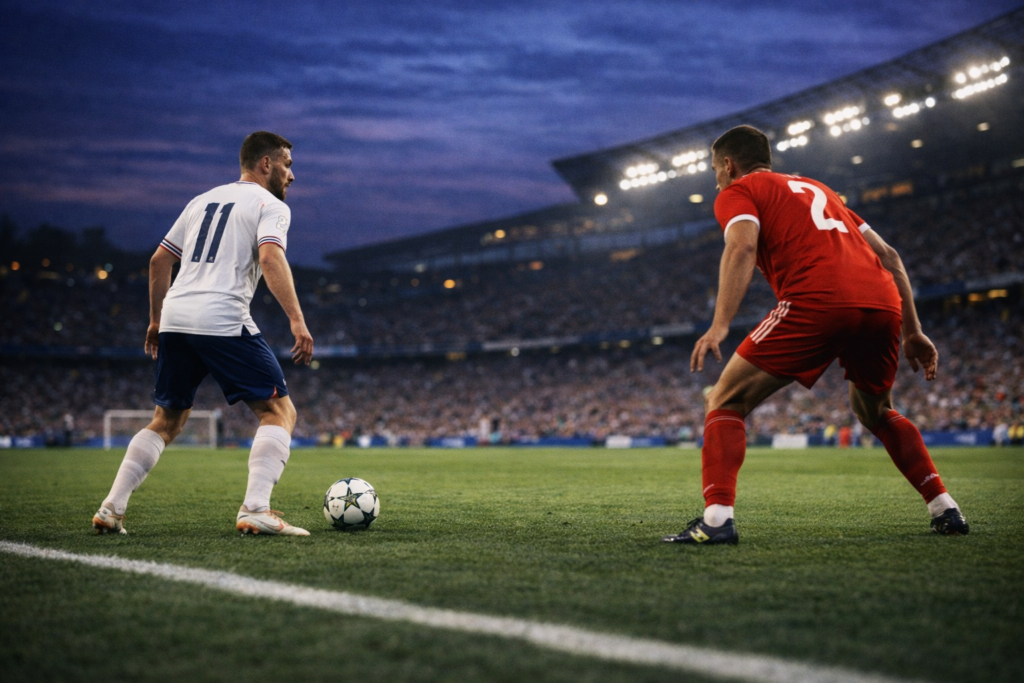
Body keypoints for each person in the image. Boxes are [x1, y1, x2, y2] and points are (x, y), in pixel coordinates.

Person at [661, 125, 968, 545]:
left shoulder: (738, 191)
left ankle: (716, 521)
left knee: (723, 399)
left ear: (729, 165)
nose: (715, 177)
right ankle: (945, 507)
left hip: (817, 298)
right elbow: (891, 257)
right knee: (875, 411)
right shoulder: (818, 187)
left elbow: (742, 248)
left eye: (715, 168)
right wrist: (913, 330)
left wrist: (719, 324)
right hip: (882, 303)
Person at [92, 131, 314, 537]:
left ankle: (111, 508)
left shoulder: (201, 201)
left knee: (167, 420)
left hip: (177, 316)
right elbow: (270, 256)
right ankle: (256, 509)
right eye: (288, 164)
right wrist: (297, 321)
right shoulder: (270, 205)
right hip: (222, 316)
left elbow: (160, 259)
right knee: (279, 412)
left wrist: (157, 320)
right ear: (266, 164)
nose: (292, 175)